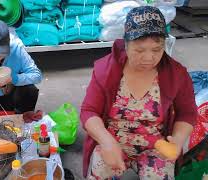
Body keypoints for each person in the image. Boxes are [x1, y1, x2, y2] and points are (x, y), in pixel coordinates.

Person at [80, 6, 197, 180]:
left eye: (157, 49)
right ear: (125, 44)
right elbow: (89, 111)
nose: (149, 58)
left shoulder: (176, 74)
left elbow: (187, 113)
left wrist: (177, 140)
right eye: (140, 50)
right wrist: (106, 141)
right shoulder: (106, 70)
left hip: (156, 146)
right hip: (114, 141)